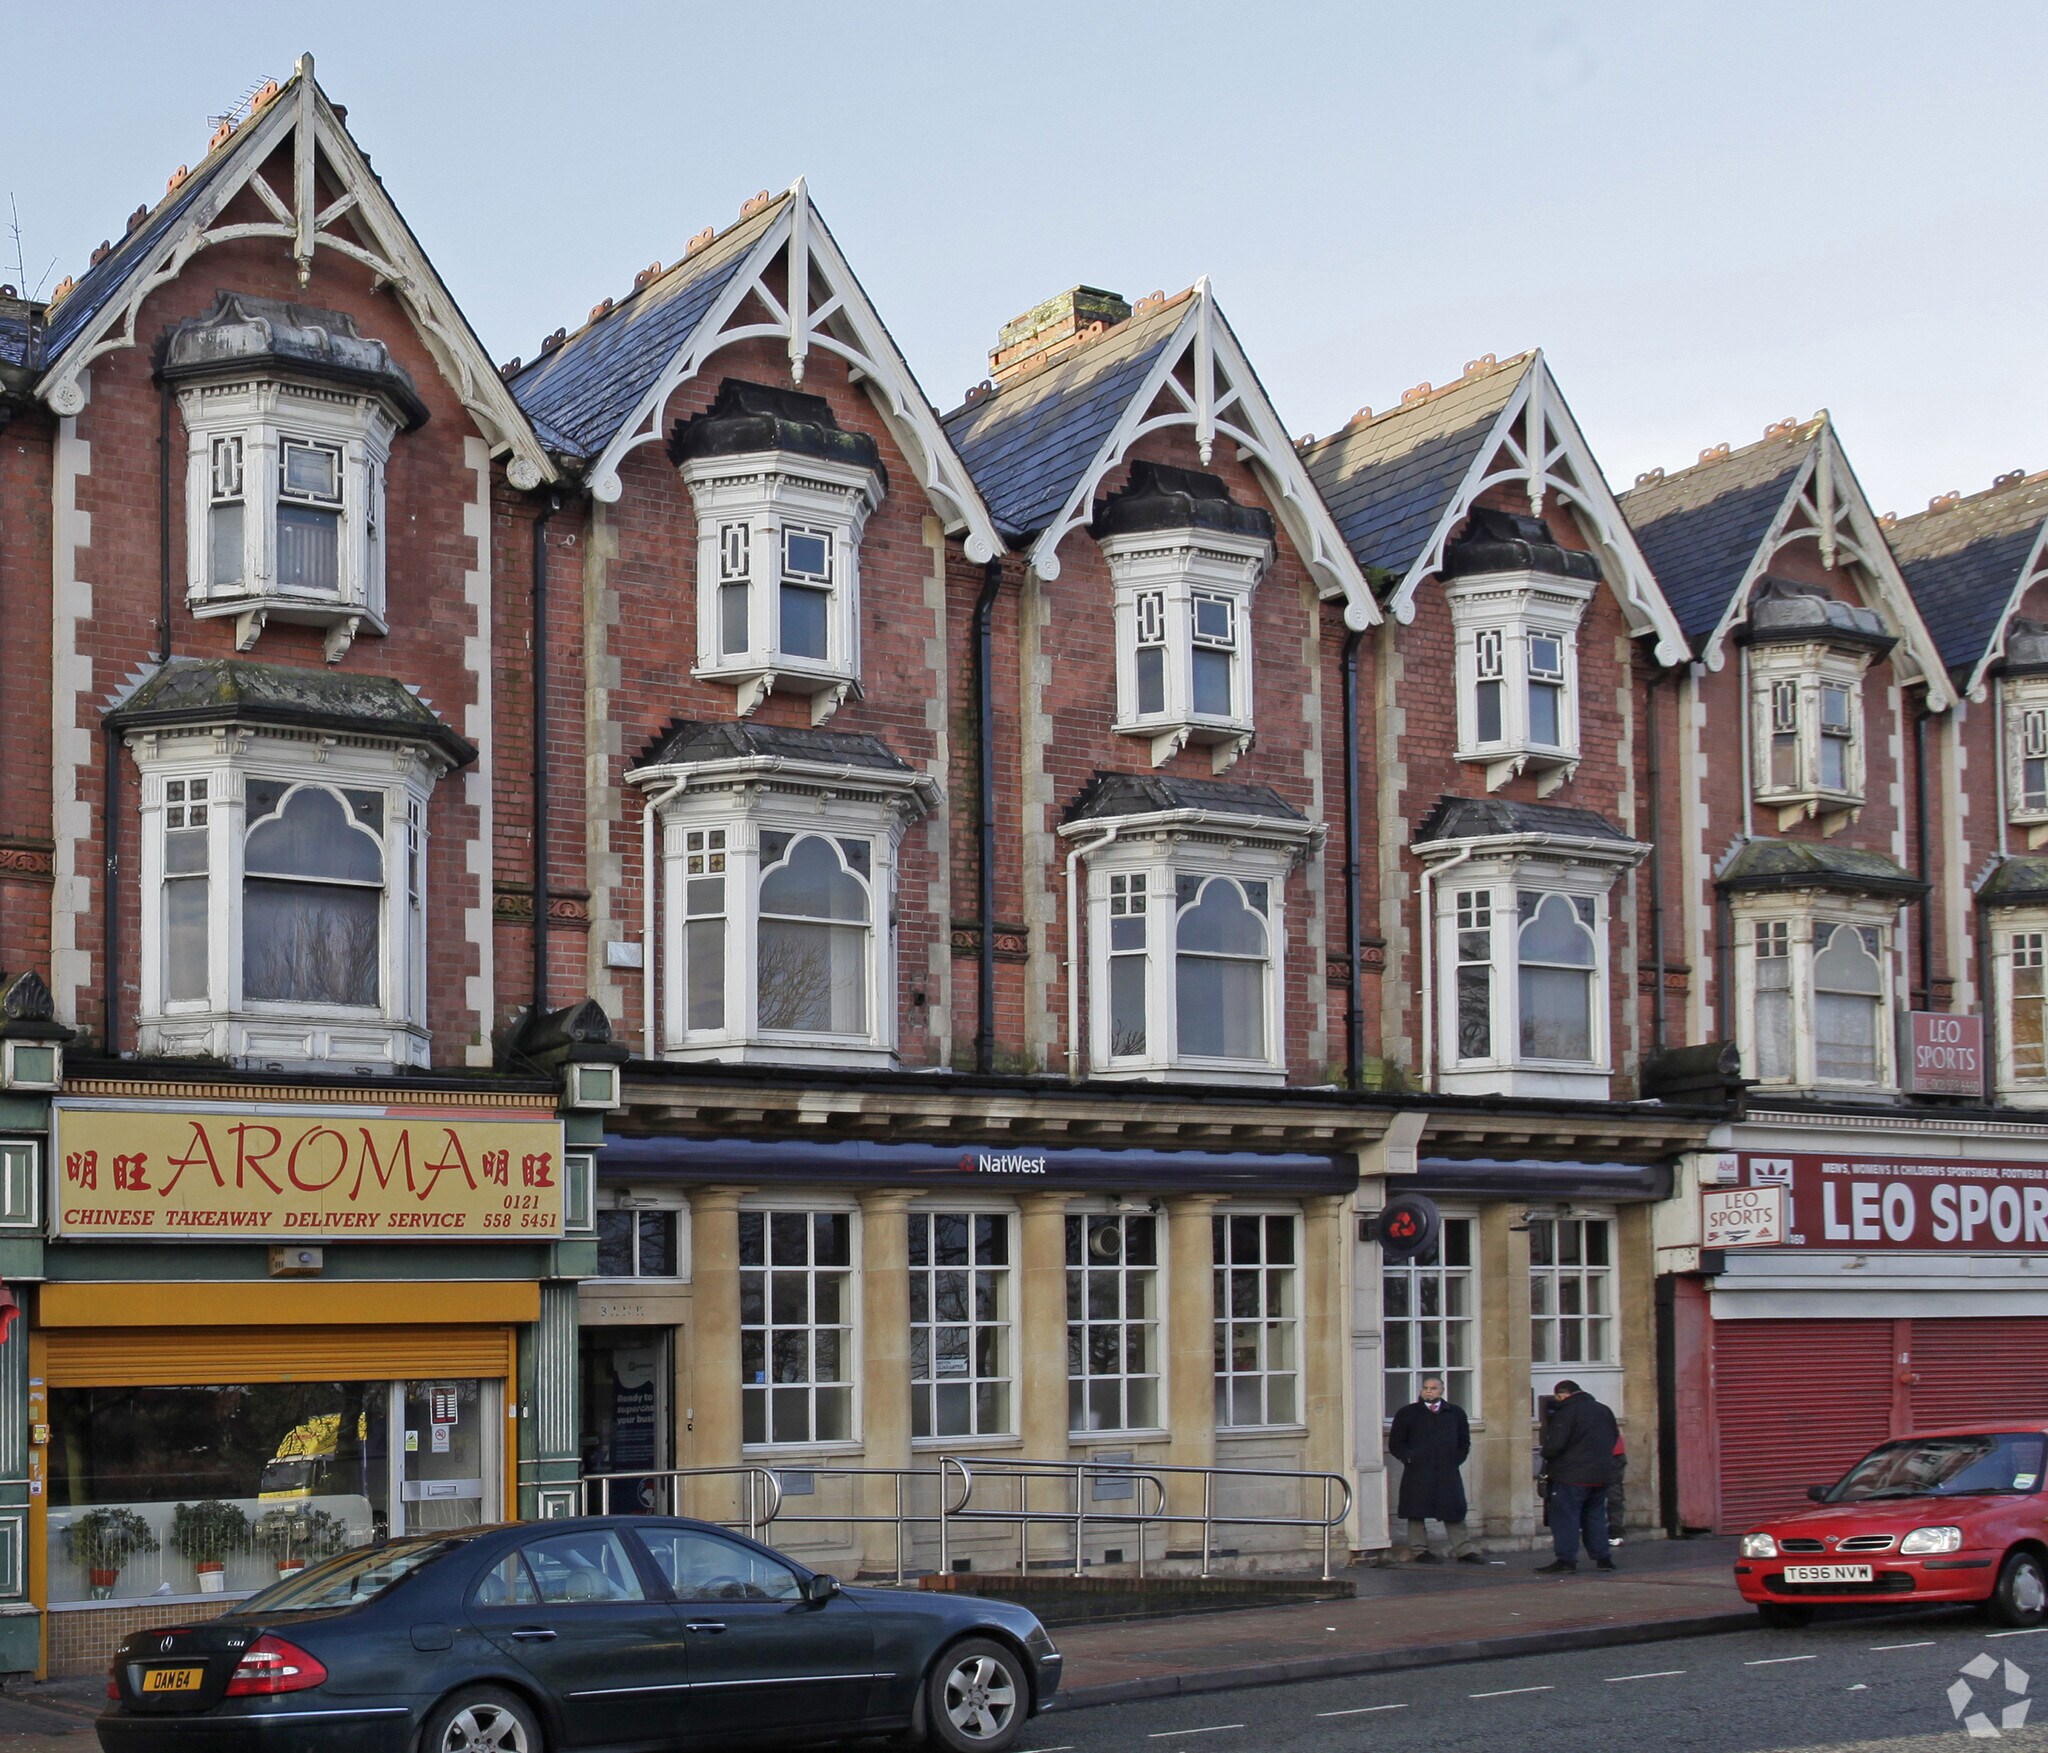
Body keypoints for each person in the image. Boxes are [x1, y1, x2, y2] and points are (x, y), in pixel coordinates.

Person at [1387, 1375, 1481, 1562]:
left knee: (1453, 1509)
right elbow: (1396, 1442)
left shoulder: (1455, 1413)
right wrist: (1409, 1458)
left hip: (1447, 1469)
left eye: (1433, 1388)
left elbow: (1464, 1441)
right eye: (1426, 1388)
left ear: (1442, 1390)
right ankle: (1419, 1550)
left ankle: (1463, 1550)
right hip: (1418, 1470)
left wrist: (1456, 1459)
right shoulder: (1407, 1413)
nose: (1429, 1391)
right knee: (1416, 1509)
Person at [1536, 1378, 1618, 1574]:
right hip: (1601, 1474)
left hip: (1571, 1475)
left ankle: (1566, 1560)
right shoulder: (1603, 1409)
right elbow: (1614, 1437)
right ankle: (1603, 1558)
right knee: (1595, 1516)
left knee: (1565, 1517)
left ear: (1563, 1394)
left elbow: (1555, 1445)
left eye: (1558, 1397)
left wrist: (1545, 1452)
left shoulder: (1566, 1412)